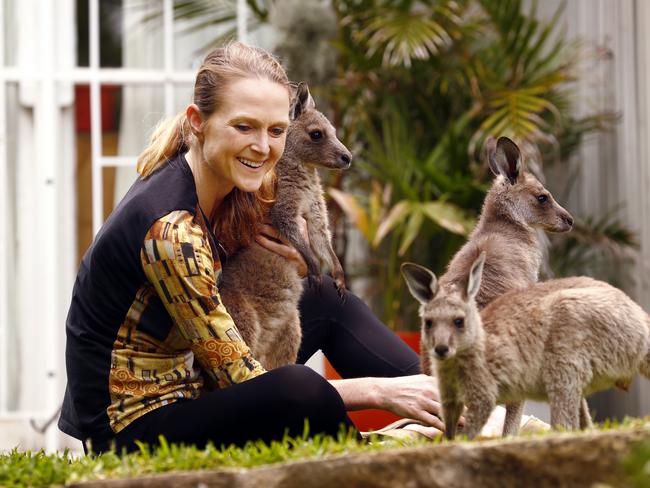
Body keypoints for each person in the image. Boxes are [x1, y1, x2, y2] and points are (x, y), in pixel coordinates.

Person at [58, 42, 443, 454]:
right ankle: (369, 456)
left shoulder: (229, 184)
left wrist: (294, 263)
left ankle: (448, 402)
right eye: (244, 127)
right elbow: (240, 378)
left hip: (192, 379)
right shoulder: (170, 230)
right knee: (298, 387)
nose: (263, 147)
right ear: (198, 122)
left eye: (276, 130)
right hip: (137, 425)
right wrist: (379, 392)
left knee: (325, 299)